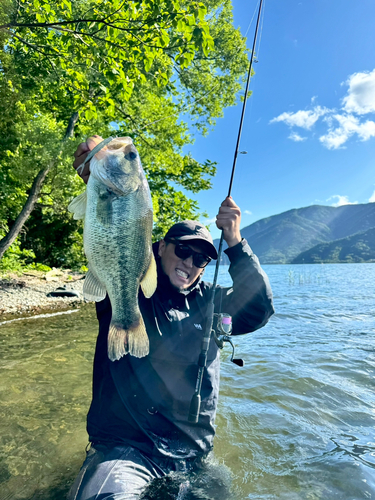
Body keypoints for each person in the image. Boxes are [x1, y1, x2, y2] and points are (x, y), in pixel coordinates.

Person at [68, 137, 274, 500]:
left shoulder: (212, 303)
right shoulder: (133, 285)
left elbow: (258, 309)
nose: (189, 264)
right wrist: (96, 175)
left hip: (193, 455)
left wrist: (235, 240)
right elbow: (121, 235)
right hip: (127, 447)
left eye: (201, 259)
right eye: (182, 250)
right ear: (160, 247)